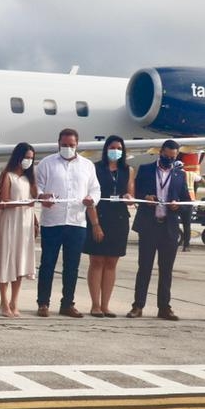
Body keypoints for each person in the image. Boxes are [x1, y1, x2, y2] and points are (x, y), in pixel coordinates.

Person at [34, 128, 100, 317]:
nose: (68, 148)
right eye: (64, 145)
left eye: (71, 145)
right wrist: (41, 195)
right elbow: (37, 186)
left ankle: (67, 304)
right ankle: (43, 303)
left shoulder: (87, 165)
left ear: (77, 144)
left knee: (72, 266)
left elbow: (96, 189)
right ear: (58, 143)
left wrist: (91, 200)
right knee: (48, 263)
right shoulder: (47, 163)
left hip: (76, 222)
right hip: (52, 221)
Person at [129, 139, 191, 321]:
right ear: (161, 152)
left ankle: (164, 307)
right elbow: (136, 192)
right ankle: (138, 305)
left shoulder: (180, 175)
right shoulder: (146, 169)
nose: (169, 159)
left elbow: (186, 201)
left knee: (166, 270)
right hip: (149, 225)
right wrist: (145, 196)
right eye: (167, 156)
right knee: (144, 268)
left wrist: (177, 206)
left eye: (173, 157)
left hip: (169, 227)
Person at [83, 136, 134, 317]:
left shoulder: (127, 170)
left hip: (119, 219)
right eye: (112, 147)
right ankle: (95, 304)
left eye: (119, 147)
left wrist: (129, 197)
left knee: (112, 262)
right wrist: (95, 224)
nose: (116, 150)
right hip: (99, 216)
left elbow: (130, 194)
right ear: (106, 149)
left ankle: (105, 305)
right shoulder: (95, 168)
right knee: (97, 261)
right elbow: (91, 197)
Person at [0, 143, 37, 318]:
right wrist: (23, 204)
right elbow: (4, 201)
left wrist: (34, 219)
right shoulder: (7, 176)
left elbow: (34, 198)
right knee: (7, 259)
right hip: (10, 221)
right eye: (26, 157)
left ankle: (14, 301)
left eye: (31, 158)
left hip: (24, 223)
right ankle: (3, 301)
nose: (28, 161)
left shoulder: (28, 178)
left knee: (20, 261)